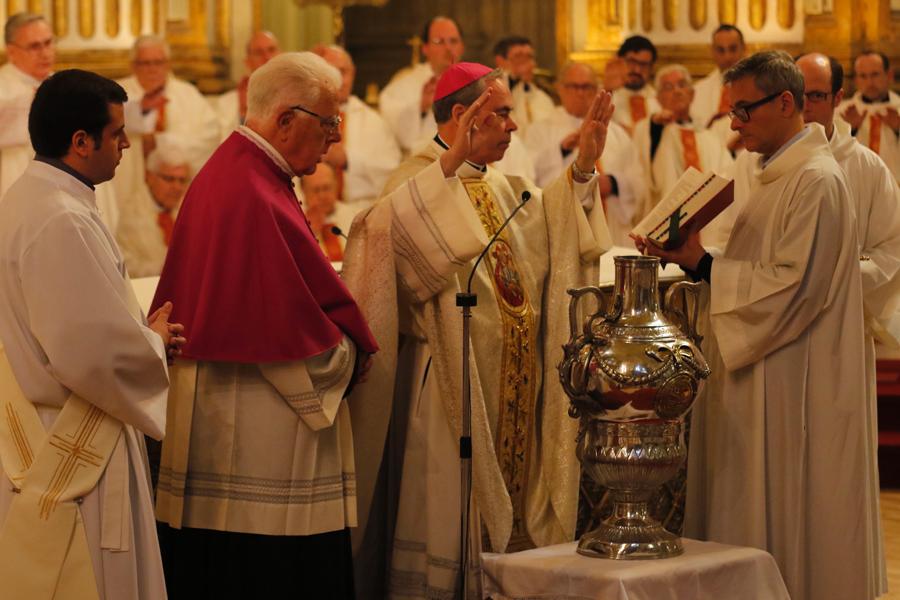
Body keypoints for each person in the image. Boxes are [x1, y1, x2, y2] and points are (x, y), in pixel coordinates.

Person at [343, 62, 613, 599]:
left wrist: (582, 168)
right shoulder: (416, 180)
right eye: (502, 113)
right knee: (446, 504)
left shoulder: (506, 185)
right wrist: (450, 160)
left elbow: (553, 227)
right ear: (464, 116)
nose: (514, 126)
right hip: (448, 386)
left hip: (511, 386)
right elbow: (378, 242)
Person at [634, 51, 876, 600]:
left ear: (786, 102)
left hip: (793, 381)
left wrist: (700, 261)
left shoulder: (815, 181)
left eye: (743, 109)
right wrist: (689, 256)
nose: (734, 123)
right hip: (758, 370)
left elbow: (788, 287)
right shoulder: (771, 177)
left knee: (788, 510)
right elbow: (752, 268)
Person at [150, 52, 378, 599]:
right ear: (284, 119)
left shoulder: (245, 174)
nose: (334, 139)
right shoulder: (251, 193)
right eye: (328, 123)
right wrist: (345, 355)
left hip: (237, 420)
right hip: (258, 435)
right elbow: (289, 339)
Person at [0, 69, 184, 600]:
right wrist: (154, 342)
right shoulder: (61, 220)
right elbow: (89, 351)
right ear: (81, 142)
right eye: (117, 132)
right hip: (75, 436)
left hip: (41, 429)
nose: (127, 143)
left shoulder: (30, 198)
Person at [796, 51, 900, 598]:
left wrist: (832, 280)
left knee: (835, 467)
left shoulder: (864, 166)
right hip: (776, 344)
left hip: (837, 340)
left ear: (839, 100)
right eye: (797, 91)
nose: (804, 104)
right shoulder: (758, 161)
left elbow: (889, 249)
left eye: (816, 94)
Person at [0, 12, 120, 230]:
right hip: (14, 181)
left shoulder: (66, 87)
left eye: (48, 43)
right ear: (11, 51)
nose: (45, 53)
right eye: (35, 46)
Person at [527, 61, 647, 245]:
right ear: (560, 88)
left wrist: (615, 184)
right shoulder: (540, 130)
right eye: (574, 87)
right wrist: (562, 151)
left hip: (613, 228)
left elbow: (639, 180)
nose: (580, 93)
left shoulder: (616, 133)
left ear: (597, 90)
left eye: (587, 87)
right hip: (566, 233)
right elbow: (530, 179)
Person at [313, 44, 402, 212]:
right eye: (331, 71)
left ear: (352, 74)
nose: (339, 79)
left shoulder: (373, 122)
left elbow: (391, 171)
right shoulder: (305, 115)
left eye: (343, 72)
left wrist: (348, 160)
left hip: (359, 212)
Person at [633, 64, 734, 211]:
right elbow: (645, 166)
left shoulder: (710, 138)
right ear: (658, 98)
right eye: (668, 87)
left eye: (682, 85)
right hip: (666, 221)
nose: (677, 91)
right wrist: (656, 125)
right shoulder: (651, 129)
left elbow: (727, 175)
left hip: (708, 223)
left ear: (692, 94)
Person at [117, 35, 219, 179]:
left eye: (158, 62)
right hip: (130, 182)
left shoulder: (188, 94)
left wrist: (162, 144)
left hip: (180, 183)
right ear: (133, 66)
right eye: (145, 63)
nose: (152, 69)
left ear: (168, 65)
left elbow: (211, 137)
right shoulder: (117, 93)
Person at [379, 16, 464, 153]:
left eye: (453, 41)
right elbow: (392, 133)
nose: (448, 48)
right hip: (422, 165)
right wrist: (421, 108)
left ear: (462, 46)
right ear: (425, 48)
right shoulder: (404, 85)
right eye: (439, 41)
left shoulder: (476, 83)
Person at [116, 135, 192, 277]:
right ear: (150, 177)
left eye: (182, 180)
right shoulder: (132, 214)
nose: (177, 187)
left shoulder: (191, 211)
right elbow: (125, 266)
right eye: (169, 179)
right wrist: (163, 270)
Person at [839, 51, 900, 183]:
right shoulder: (842, 112)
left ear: (889, 75)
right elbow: (832, 155)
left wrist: (898, 130)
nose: (869, 82)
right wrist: (850, 129)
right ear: (855, 80)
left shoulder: (898, 111)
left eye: (875, 74)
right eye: (863, 76)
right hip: (856, 187)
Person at [214, 30, 280, 139]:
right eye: (259, 52)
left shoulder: (297, 96)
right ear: (248, 62)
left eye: (271, 50)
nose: (267, 57)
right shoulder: (226, 103)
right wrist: (244, 113)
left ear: (281, 54)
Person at [493, 35, 554, 137]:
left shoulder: (542, 98)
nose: (528, 64)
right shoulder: (490, 95)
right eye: (519, 57)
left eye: (530, 57)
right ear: (500, 61)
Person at [690, 25, 746, 130]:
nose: (727, 56)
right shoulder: (697, 91)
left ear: (744, 48)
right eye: (721, 50)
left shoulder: (760, 86)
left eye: (733, 49)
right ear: (712, 51)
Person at [299, 162, 357, 262]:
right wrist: (309, 233)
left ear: (336, 185)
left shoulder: (355, 216)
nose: (322, 196)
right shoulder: (297, 221)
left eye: (326, 188)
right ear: (304, 191)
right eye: (316, 190)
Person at [611, 35, 660, 135]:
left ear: (652, 68)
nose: (637, 70)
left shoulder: (660, 102)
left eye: (643, 64)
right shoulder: (608, 96)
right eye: (632, 62)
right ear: (619, 61)